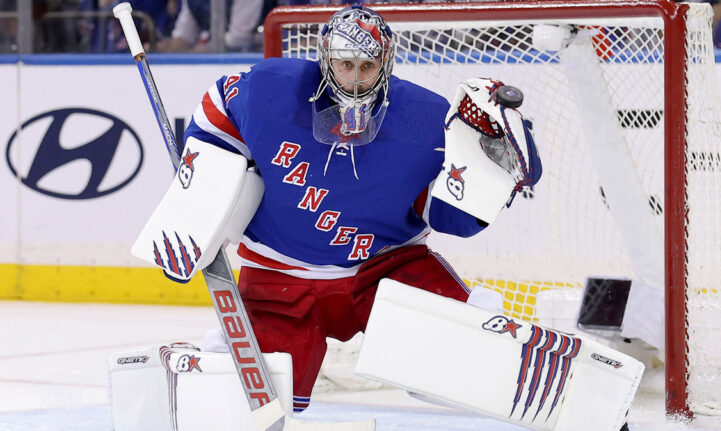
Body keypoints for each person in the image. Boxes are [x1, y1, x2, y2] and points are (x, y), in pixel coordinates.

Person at [181, 5, 540, 413]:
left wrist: (497, 164)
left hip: (385, 271)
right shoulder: (271, 88)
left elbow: (448, 217)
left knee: (466, 361)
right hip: (280, 279)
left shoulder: (426, 119)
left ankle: (541, 387)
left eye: (367, 65)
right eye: (344, 64)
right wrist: (198, 192)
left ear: (386, 61)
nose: (353, 79)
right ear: (324, 57)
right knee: (254, 405)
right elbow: (216, 113)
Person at [157, 0, 261, 52]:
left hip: (252, 59)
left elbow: (238, 39)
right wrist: (162, 49)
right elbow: (185, 34)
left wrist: (203, 49)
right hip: (215, 52)